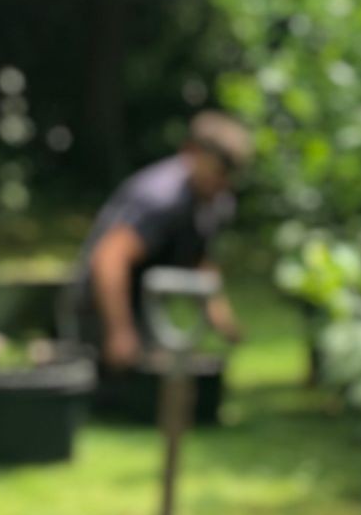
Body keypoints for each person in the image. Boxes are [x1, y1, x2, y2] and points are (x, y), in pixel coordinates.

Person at [74, 111, 251, 369]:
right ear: (191, 153)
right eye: (218, 172)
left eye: (229, 176)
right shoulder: (161, 198)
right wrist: (119, 332)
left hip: (144, 308)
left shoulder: (214, 201)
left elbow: (200, 261)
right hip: (102, 306)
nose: (222, 184)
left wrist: (220, 318)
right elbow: (109, 258)